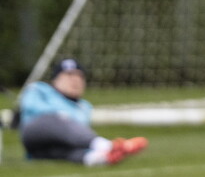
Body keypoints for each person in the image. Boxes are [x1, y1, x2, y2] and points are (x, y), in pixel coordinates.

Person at [15, 58, 148, 166]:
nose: (75, 80)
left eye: (79, 76)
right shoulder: (39, 89)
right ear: (56, 79)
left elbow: (76, 134)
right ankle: (108, 146)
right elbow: (33, 108)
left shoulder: (84, 107)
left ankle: (99, 158)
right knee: (56, 118)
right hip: (35, 134)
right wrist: (62, 115)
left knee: (68, 151)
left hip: (49, 149)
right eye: (69, 75)